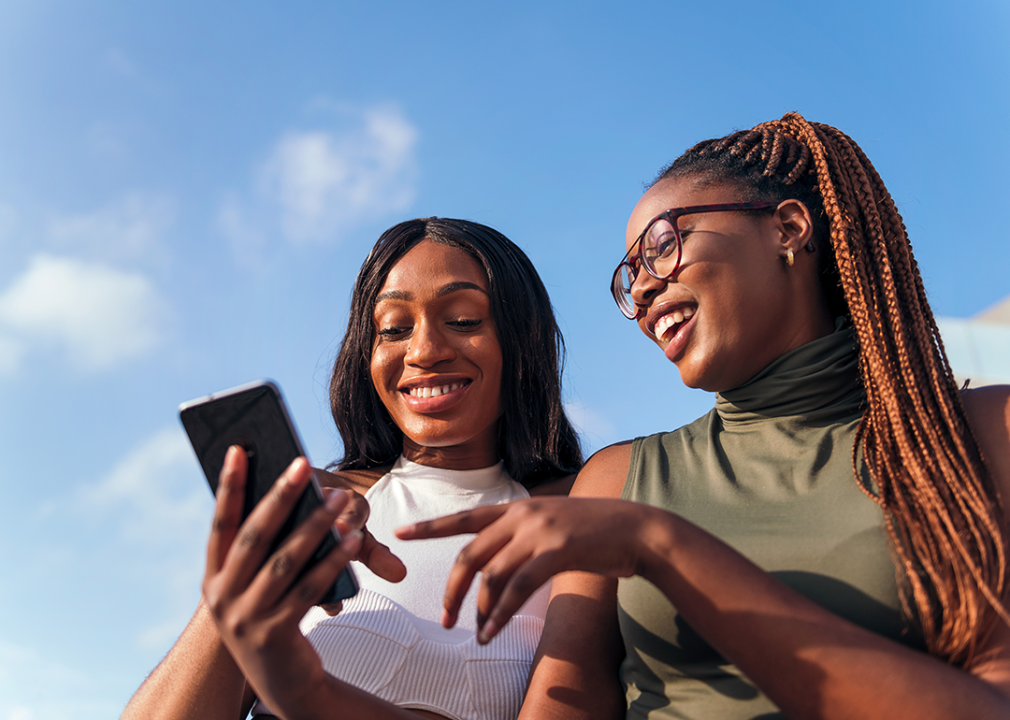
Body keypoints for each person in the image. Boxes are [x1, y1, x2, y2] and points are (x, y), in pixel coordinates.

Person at [399, 113, 1010, 719]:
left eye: (663, 246)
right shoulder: (618, 480)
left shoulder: (979, 434)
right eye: (629, 275)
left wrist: (661, 546)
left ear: (788, 229)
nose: (640, 289)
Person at [122, 218, 582, 720]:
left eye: (464, 320)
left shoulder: (579, 512)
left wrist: (309, 692)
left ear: (523, 337)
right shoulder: (322, 505)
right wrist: (232, 595)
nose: (424, 351)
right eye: (394, 329)